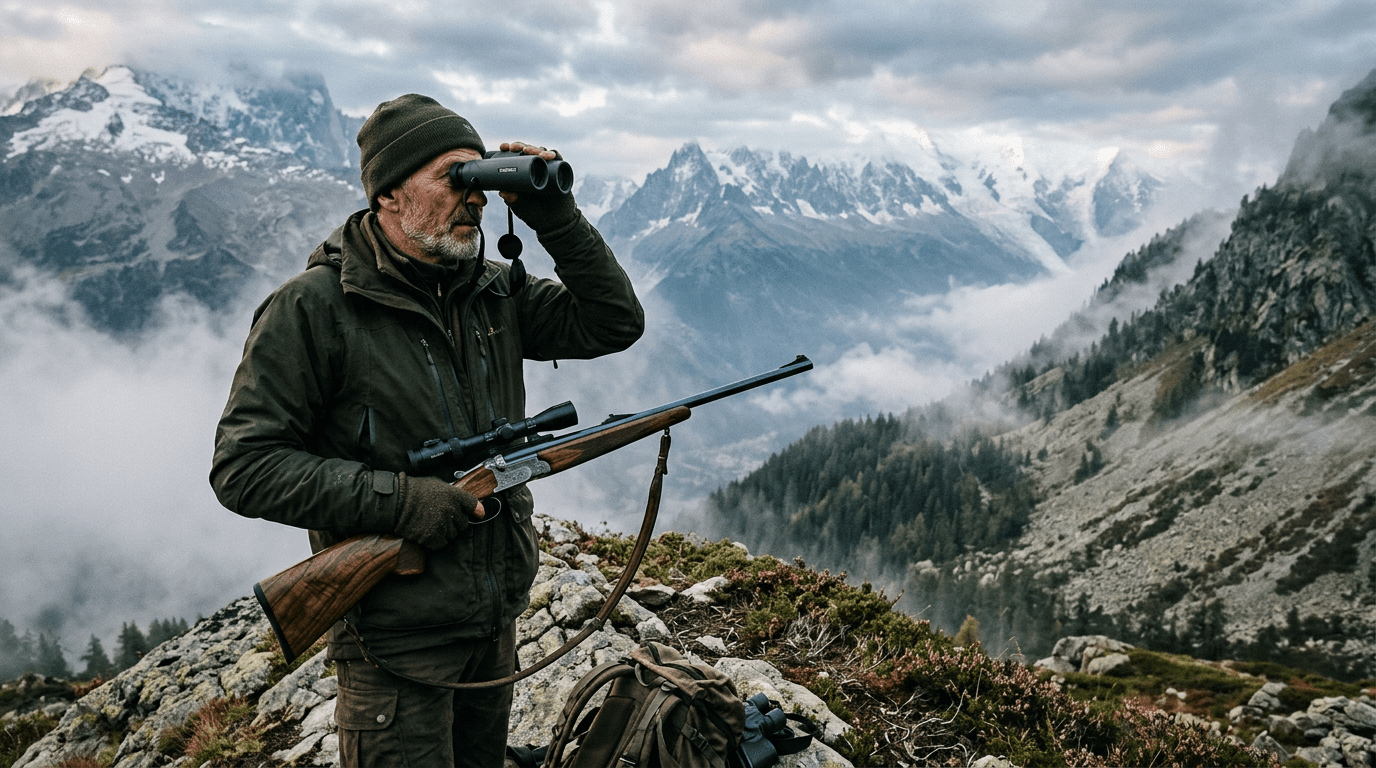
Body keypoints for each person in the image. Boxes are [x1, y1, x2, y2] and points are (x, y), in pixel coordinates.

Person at [210, 94, 644, 767]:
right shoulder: (313, 309)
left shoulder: (491, 290)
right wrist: (409, 502)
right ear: (389, 194)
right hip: (395, 646)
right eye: (453, 178)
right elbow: (245, 467)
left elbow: (614, 322)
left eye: (481, 178)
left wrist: (557, 218)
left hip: (491, 622)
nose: (473, 198)